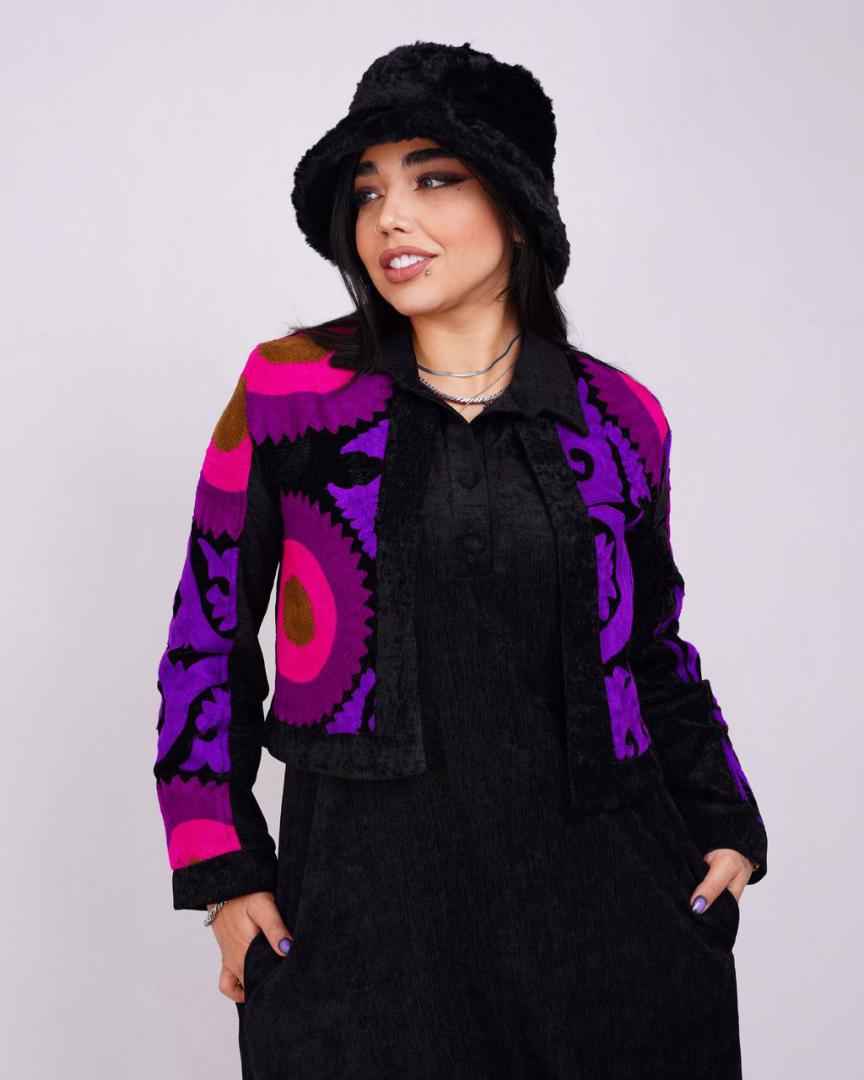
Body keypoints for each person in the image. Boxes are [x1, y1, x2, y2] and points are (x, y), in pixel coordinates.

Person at [153, 40, 768, 1080]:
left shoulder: (621, 416)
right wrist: (222, 870)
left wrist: (727, 822)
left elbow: (654, 647)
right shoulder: (288, 392)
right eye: (368, 191)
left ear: (517, 209)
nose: (390, 217)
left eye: (433, 179)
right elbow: (205, 640)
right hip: (365, 931)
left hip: (612, 927)